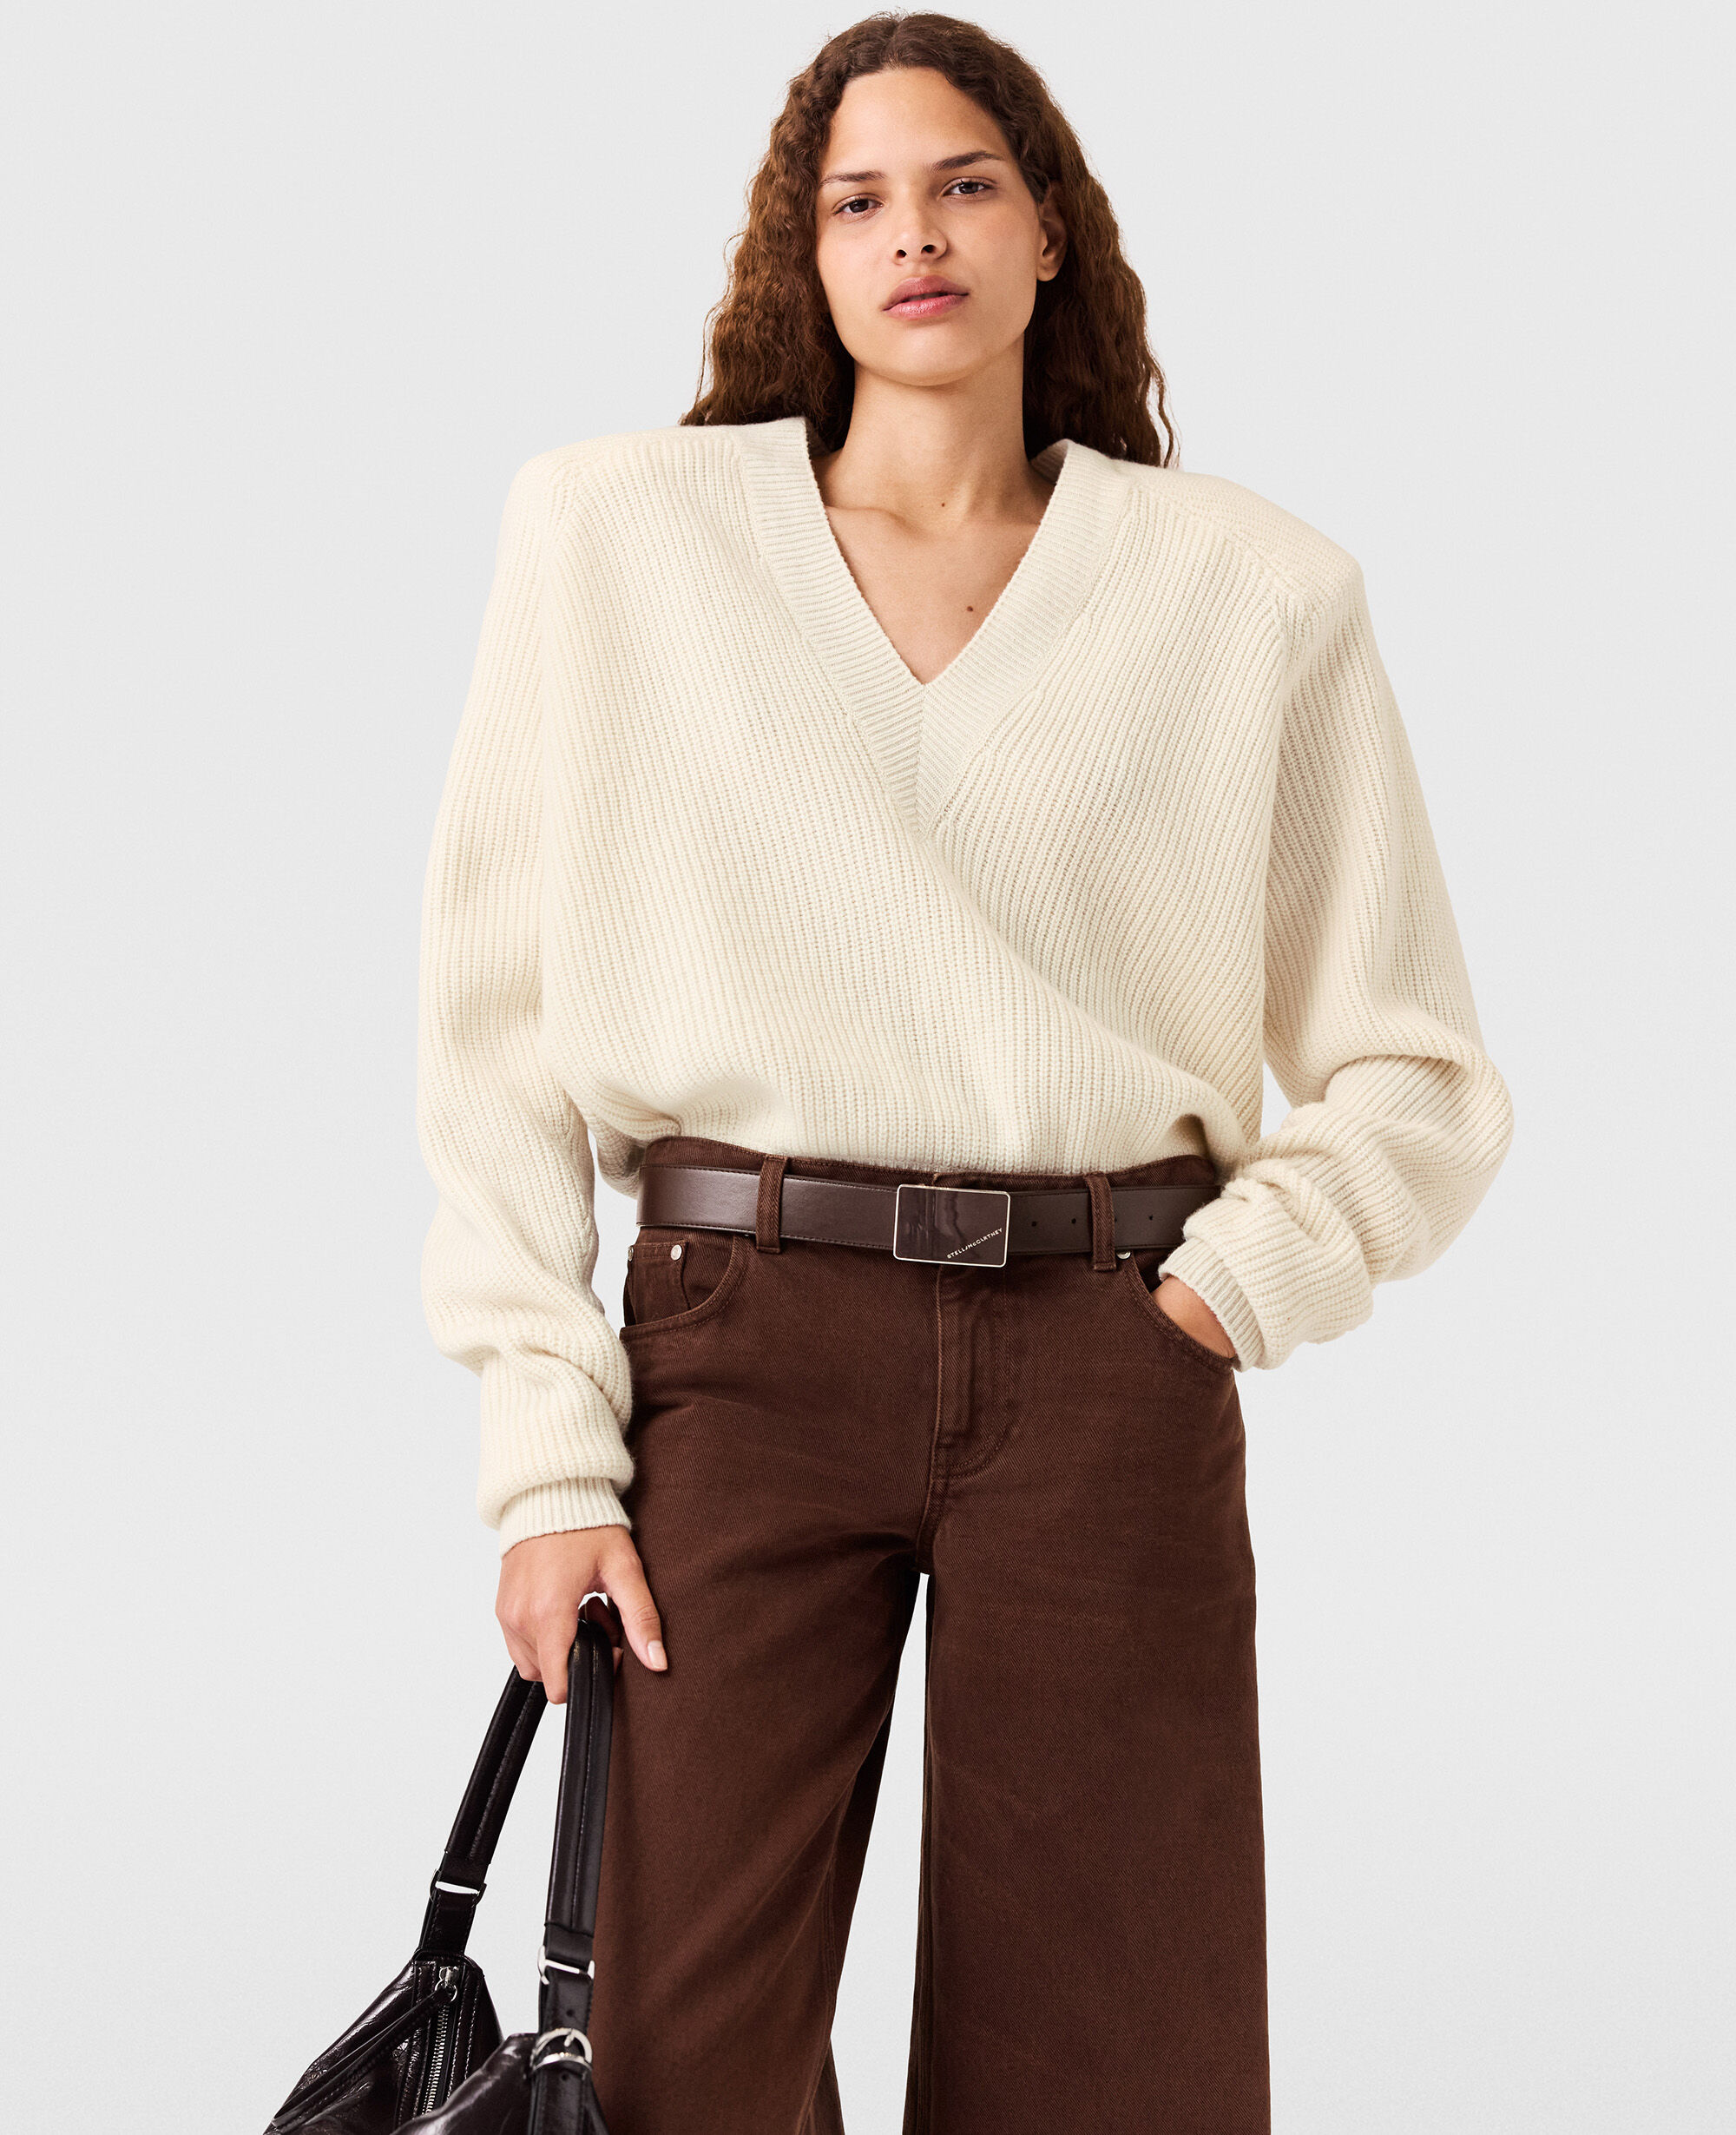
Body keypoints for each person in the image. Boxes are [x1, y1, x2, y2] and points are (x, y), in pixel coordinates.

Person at [414, 14, 1514, 2132]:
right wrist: (548, 1464)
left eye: (961, 185)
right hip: (733, 1350)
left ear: (1047, 234)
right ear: (802, 255)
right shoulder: (616, 541)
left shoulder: (1250, 593)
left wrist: (1225, 1291)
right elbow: (492, 1042)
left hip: (1111, 1347)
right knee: (668, 2049)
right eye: (858, 200)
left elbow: (1414, 1064)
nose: (911, 233)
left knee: (1111, 2052)